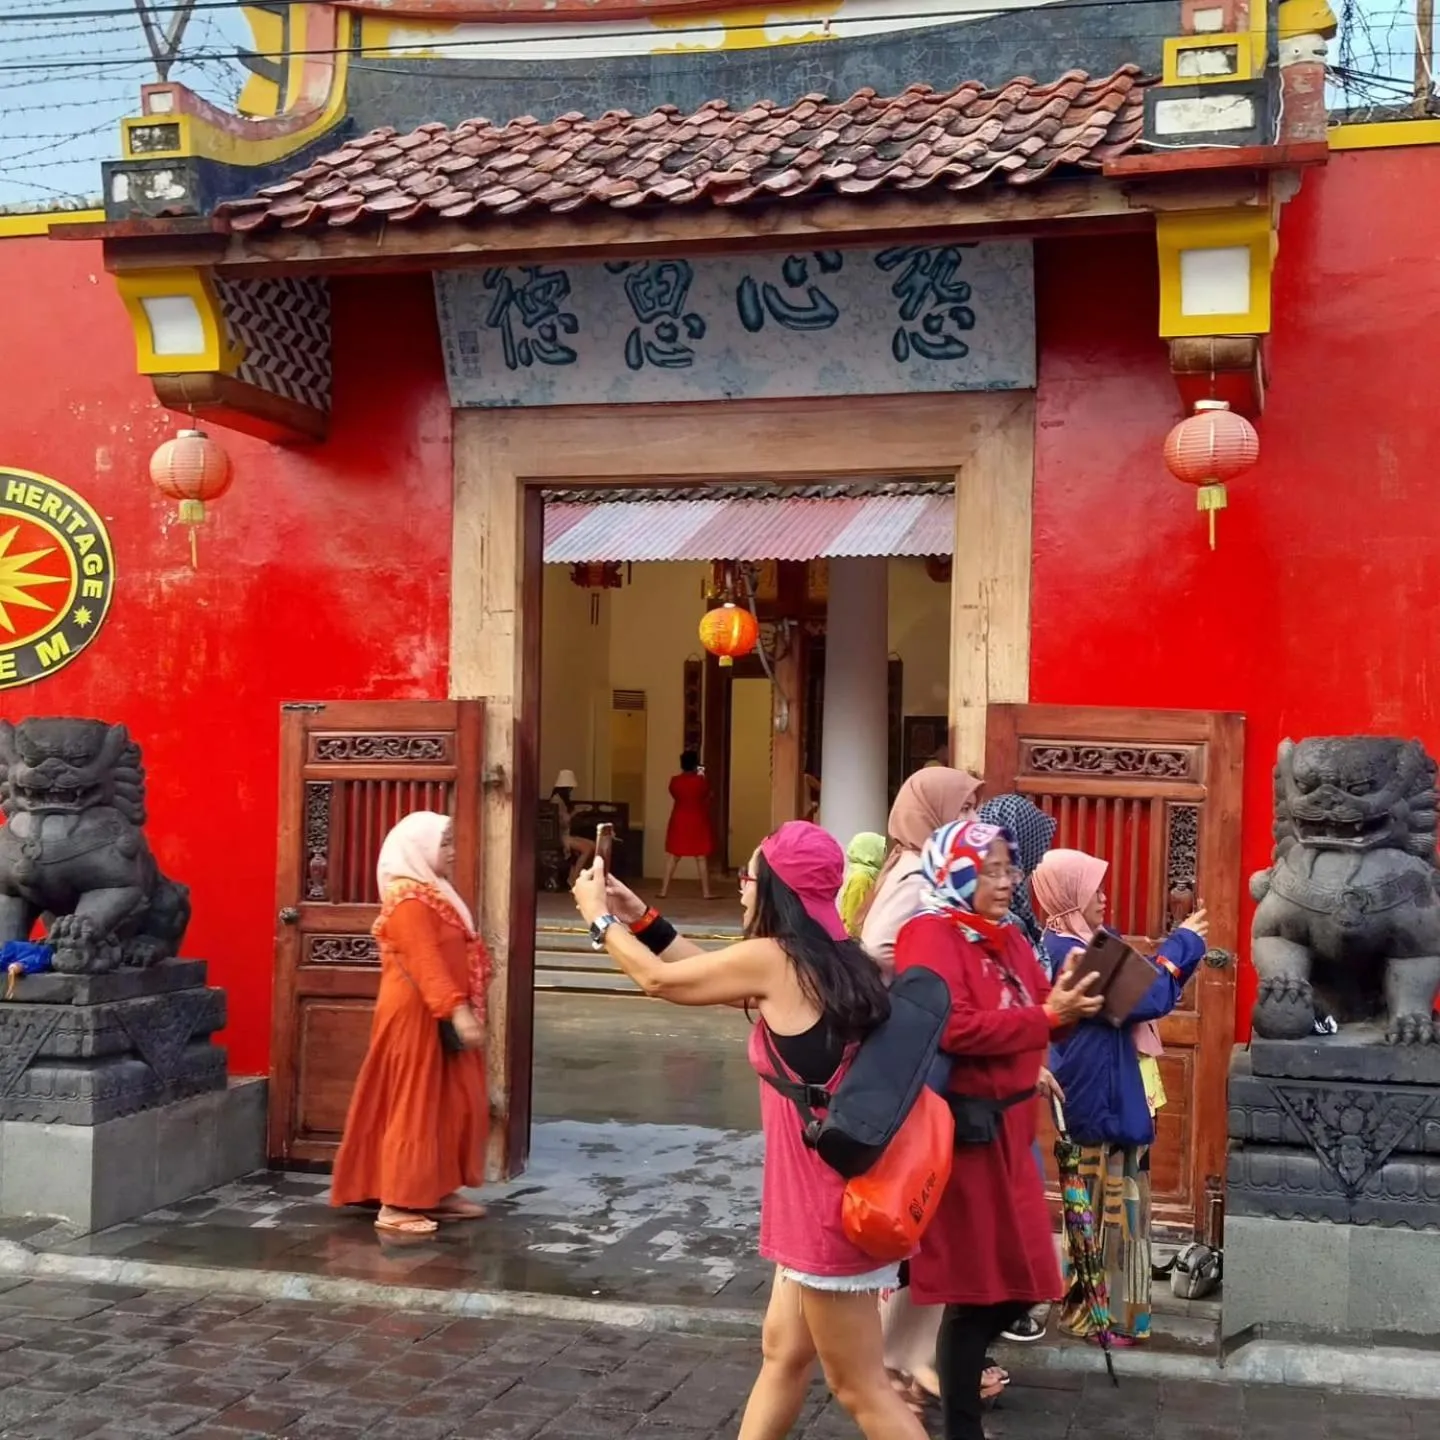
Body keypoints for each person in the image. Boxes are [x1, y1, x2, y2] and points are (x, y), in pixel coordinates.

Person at [573, 821, 928, 1440]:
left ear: (778, 890)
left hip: (825, 1212)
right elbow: (711, 972)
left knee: (861, 1387)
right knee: (783, 1355)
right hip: (826, 1197)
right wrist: (640, 916)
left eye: (750, 876)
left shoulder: (778, 960)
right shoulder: (839, 957)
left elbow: (662, 981)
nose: (742, 887)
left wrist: (599, 918)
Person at [893, 821, 1103, 1440]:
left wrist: (1066, 1007)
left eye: (1010, 869)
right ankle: (960, 1426)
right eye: (991, 870)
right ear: (955, 870)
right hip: (964, 1135)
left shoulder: (1009, 936)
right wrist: (1045, 1016)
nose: (1008, 882)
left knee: (1026, 1280)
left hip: (1013, 1132)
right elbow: (952, 1028)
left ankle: (943, 1387)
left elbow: (1042, 1016)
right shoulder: (926, 935)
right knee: (975, 1290)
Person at [1031, 849, 1208, 1345]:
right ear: (1070, 895)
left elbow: (1144, 988)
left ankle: (1100, 1315)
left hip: (1098, 1089)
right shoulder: (1073, 953)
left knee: (1102, 1205)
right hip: (1099, 1096)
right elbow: (1148, 996)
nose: (1104, 897)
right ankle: (1097, 1318)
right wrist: (1185, 943)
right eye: (1094, 890)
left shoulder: (1067, 944)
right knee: (1107, 1210)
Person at [331, 811, 490, 1237]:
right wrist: (458, 1011)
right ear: (419, 849)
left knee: (448, 1101)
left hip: (439, 1011)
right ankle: (398, 1202)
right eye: (445, 844)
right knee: (415, 1100)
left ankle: (433, 1189)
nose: (453, 852)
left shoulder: (433, 894)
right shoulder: (408, 902)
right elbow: (426, 963)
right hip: (417, 1014)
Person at [976, 792, 1059, 1347]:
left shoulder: (1019, 919)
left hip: (1012, 1085)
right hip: (983, 1093)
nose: (1014, 876)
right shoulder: (972, 925)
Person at [859, 767, 984, 982]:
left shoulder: (922, 862)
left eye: (974, 808)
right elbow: (876, 949)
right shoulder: (920, 873)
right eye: (965, 808)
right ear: (931, 813)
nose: (975, 820)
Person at [661, 750, 713, 899]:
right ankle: (706, 892)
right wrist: (702, 777)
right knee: (701, 856)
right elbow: (707, 794)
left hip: (679, 818)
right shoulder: (701, 781)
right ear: (696, 764)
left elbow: (674, 794)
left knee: (674, 856)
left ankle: (663, 891)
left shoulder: (675, 781)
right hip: (698, 819)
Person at [550, 769, 594, 883]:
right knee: (587, 849)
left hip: (567, 834)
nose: (570, 791)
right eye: (569, 789)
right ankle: (574, 877)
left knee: (593, 846)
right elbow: (564, 821)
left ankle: (580, 874)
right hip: (561, 836)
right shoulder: (557, 801)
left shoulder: (562, 800)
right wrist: (576, 812)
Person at [839, 832, 886, 938]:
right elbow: (853, 918)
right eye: (881, 850)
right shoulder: (861, 878)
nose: (884, 856)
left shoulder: (869, 875)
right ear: (870, 851)